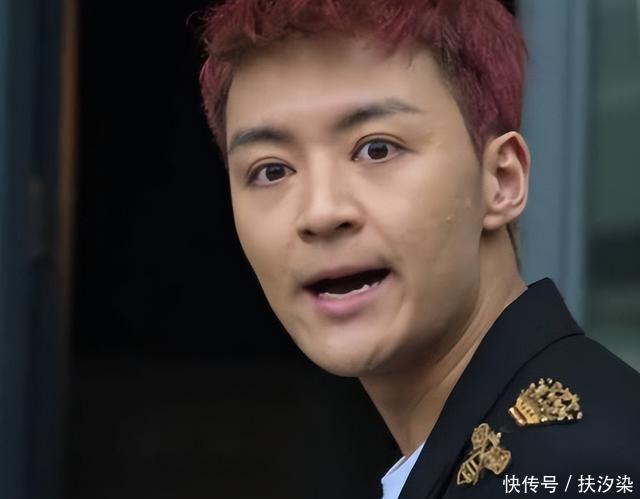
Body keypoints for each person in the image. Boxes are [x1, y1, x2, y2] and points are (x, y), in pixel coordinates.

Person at [197, 0, 640, 497]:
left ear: (501, 179)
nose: (321, 212)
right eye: (271, 170)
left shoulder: (575, 468)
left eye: (377, 149)